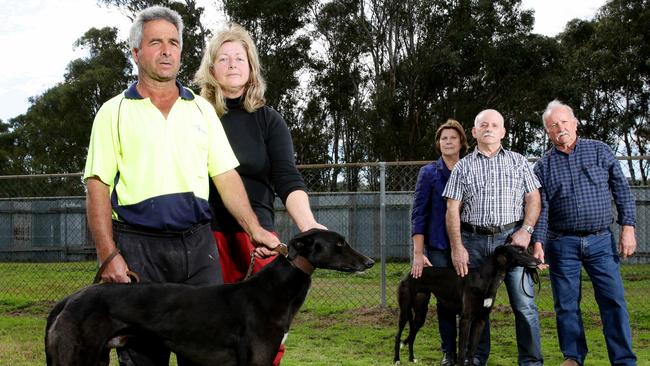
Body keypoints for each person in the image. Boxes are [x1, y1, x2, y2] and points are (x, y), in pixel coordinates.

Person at [83, 7, 279, 366]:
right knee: (143, 357)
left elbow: (226, 176)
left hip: (198, 249)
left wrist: (255, 229)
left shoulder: (201, 110)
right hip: (140, 252)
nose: (166, 50)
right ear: (136, 52)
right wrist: (109, 255)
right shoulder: (113, 112)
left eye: (173, 42)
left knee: (205, 356)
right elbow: (97, 186)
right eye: (155, 42)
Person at [193, 24, 325, 365]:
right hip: (207, 237)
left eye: (240, 58)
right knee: (207, 332)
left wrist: (309, 224)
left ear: (251, 67)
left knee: (267, 330)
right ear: (211, 68)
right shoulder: (194, 116)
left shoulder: (269, 121)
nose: (233, 64)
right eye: (224, 58)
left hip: (259, 240)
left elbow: (287, 178)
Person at [533, 100, 637, 366]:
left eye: (564, 122)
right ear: (548, 132)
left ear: (575, 123)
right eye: (553, 125)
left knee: (613, 301)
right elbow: (541, 209)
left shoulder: (600, 151)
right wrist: (539, 242)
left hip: (601, 240)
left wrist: (628, 228)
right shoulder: (542, 166)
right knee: (566, 306)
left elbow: (622, 191)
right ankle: (573, 357)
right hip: (562, 243)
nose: (560, 128)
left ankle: (623, 359)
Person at [443, 109, 544, 366]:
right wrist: (457, 247)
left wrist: (527, 230)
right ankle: (476, 358)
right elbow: (452, 209)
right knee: (476, 307)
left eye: (495, 125)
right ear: (475, 132)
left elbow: (533, 198)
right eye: (483, 125)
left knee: (524, 305)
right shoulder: (463, 166)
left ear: (503, 132)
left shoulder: (519, 161)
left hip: (512, 242)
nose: (489, 128)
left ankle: (531, 361)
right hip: (474, 243)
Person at [410, 119, 469, 366]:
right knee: (446, 302)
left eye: (452, 137)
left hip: (470, 245)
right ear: (438, 143)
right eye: (443, 138)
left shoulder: (471, 168)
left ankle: (471, 352)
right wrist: (418, 252)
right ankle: (449, 353)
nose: (448, 141)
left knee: (471, 301)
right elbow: (419, 213)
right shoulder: (429, 173)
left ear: (462, 142)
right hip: (439, 247)